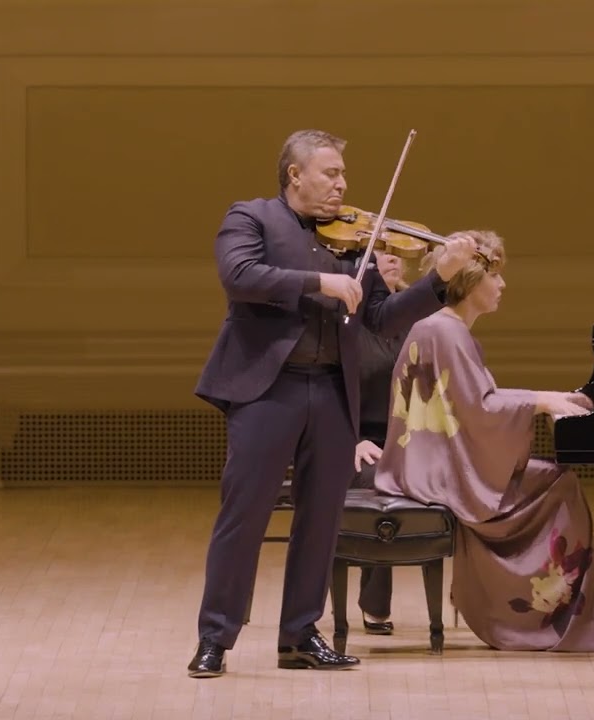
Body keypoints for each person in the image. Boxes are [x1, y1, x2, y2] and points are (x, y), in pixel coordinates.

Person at [188, 128, 479, 678]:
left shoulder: (353, 243)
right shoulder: (251, 218)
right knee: (243, 517)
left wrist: (438, 282)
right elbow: (239, 275)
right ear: (295, 174)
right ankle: (214, 638)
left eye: (343, 174)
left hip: (330, 391)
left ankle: (300, 635)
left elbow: (380, 317)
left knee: (321, 520)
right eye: (331, 173)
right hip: (266, 390)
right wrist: (318, 281)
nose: (342, 184)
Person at [373, 229, 594, 652]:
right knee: (560, 484)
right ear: (470, 281)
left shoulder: (443, 329)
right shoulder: (445, 331)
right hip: (435, 471)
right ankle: (550, 620)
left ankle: (567, 613)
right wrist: (541, 400)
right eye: (495, 276)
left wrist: (544, 400)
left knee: (554, 480)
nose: (502, 285)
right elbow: (480, 411)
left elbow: (475, 405)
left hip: (433, 460)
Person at [348, 251, 410, 635]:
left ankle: (476, 598)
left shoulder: (419, 317)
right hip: (357, 442)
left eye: (398, 252)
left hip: (412, 439)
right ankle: (375, 603)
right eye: (379, 251)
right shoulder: (345, 321)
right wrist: (350, 440)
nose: (391, 258)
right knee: (379, 482)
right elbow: (327, 389)